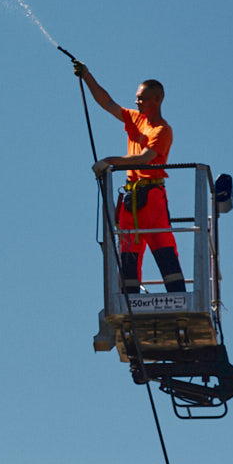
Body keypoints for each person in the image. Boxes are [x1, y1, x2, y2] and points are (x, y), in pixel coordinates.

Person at [73, 61, 186, 295]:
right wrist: (87, 76)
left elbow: (145, 158)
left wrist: (110, 161)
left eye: (141, 98)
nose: (137, 102)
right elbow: (108, 102)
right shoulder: (136, 119)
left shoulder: (162, 130)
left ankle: (177, 296)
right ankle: (129, 298)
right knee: (128, 253)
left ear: (156, 100)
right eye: (136, 98)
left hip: (152, 199)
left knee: (163, 247)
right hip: (131, 199)